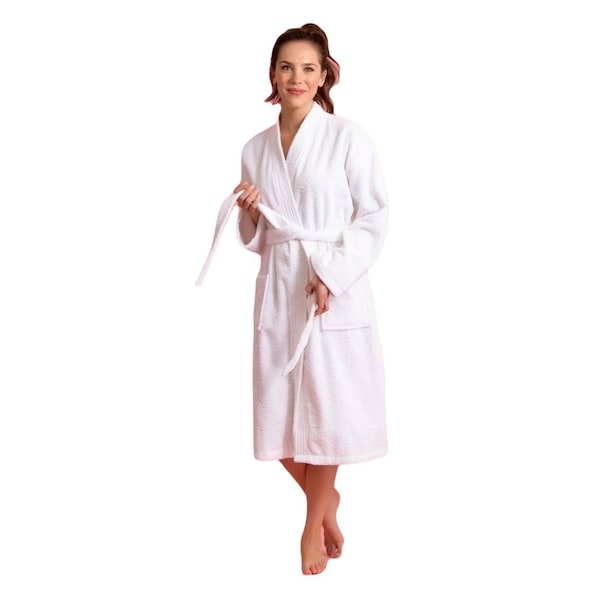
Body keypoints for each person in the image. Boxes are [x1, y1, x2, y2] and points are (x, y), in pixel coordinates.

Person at [233, 23, 389, 575]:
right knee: (276, 417)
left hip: (330, 288)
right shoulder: (255, 148)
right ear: (273, 76)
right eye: (286, 67)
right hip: (279, 288)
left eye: (307, 68)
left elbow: (373, 217)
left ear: (324, 76)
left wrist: (331, 274)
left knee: (327, 410)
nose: (296, 77)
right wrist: (250, 210)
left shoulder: (348, 138)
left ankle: (310, 526)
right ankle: (326, 500)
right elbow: (259, 238)